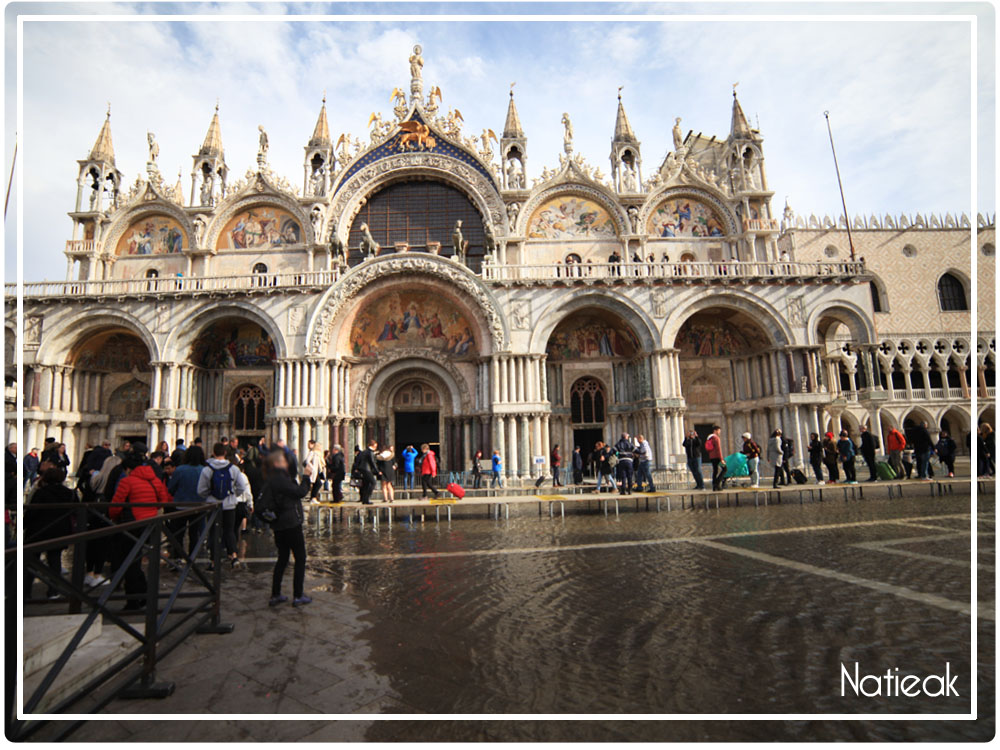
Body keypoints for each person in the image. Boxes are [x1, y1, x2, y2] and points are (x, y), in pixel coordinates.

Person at [109, 452, 172, 609]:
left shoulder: (126, 481)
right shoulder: (155, 480)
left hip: (132, 524)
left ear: (129, 469)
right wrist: (151, 509)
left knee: (130, 561)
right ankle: (146, 594)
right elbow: (165, 499)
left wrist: (114, 518)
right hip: (150, 524)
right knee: (143, 560)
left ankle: (134, 599)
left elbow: (115, 506)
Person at [261, 449, 313, 607]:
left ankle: (275, 594)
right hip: (291, 524)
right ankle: (298, 595)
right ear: (277, 463)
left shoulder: (270, 480)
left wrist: (270, 520)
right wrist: (306, 476)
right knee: (300, 558)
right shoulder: (282, 479)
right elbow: (301, 492)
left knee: (282, 559)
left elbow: (260, 506)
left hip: (279, 526)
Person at [25, 467, 76, 600]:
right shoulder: (69, 493)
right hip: (59, 531)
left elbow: (32, 512)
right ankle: (53, 591)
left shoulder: (40, 493)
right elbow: (77, 512)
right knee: (55, 561)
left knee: (32, 562)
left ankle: (26, 592)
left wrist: (23, 525)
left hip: (38, 531)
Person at [197, 443, 250, 569]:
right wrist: (232, 495)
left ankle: (214, 561)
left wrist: (210, 496)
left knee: (214, 532)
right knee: (229, 531)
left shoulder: (207, 469)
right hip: (229, 505)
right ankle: (234, 556)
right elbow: (242, 487)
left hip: (213, 505)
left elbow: (200, 490)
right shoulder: (234, 469)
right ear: (225, 453)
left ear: (213, 453)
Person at [166, 444, 208, 558]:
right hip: (199, 507)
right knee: (194, 534)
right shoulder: (204, 470)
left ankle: (177, 558)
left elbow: (171, 488)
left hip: (180, 506)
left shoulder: (180, 470)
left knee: (178, 534)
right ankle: (192, 558)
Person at [352, 439, 379, 505]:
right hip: (367, 470)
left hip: (363, 469)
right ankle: (367, 499)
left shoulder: (364, 452)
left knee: (366, 484)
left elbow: (358, 461)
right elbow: (372, 462)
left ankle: (364, 499)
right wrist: (377, 471)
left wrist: (357, 468)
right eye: (375, 446)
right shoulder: (370, 452)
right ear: (372, 446)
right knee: (373, 483)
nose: (375, 448)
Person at [705, 426, 724, 492]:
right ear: (715, 431)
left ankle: (714, 486)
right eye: (719, 430)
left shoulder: (710, 438)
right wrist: (721, 458)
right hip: (717, 456)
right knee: (725, 469)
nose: (719, 432)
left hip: (712, 457)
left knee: (715, 471)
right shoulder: (716, 438)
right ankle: (717, 483)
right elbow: (718, 449)